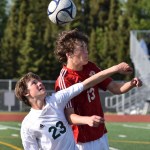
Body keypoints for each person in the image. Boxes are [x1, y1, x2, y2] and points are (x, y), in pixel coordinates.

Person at [14, 62, 140, 150]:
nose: (40, 83)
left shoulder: (56, 100)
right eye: (34, 83)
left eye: (39, 80)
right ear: (26, 93)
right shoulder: (28, 125)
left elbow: (86, 83)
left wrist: (115, 69)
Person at [54, 29, 143, 150]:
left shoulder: (90, 67)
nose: (87, 51)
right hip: (81, 140)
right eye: (82, 48)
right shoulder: (64, 80)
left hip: (101, 133)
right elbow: (69, 116)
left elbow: (115, 88)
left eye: (86, 48)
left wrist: (132, 83)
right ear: (68, 54)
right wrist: (87, 120)